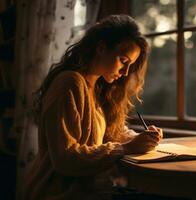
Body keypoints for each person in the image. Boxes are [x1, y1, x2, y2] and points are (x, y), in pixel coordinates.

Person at [24, 15, 163, 200]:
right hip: (57, 193)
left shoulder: (97, 88)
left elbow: (109, 133)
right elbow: (65, 158)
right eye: (123, 60)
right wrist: (125, 148)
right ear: (101, 48)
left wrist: (142, 138)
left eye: (130, 65)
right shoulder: (69, 83)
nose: (126, 72)